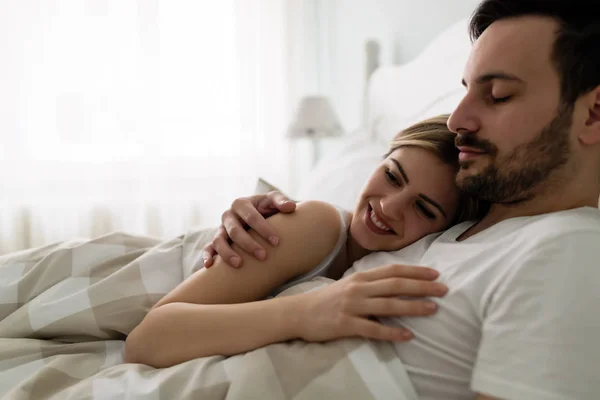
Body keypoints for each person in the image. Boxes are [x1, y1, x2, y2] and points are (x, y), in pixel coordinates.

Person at [201, 1, 600, 399]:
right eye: (466, 90)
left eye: (497, 95)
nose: (456, 120)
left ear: (593, 113)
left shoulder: (568, 248)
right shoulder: (455, 229)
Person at [125, 115, 486, 367]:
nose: (389, 207)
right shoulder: (319, 225)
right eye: (392, 175)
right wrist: (304, 313)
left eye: (423, 208)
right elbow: (146, 340)